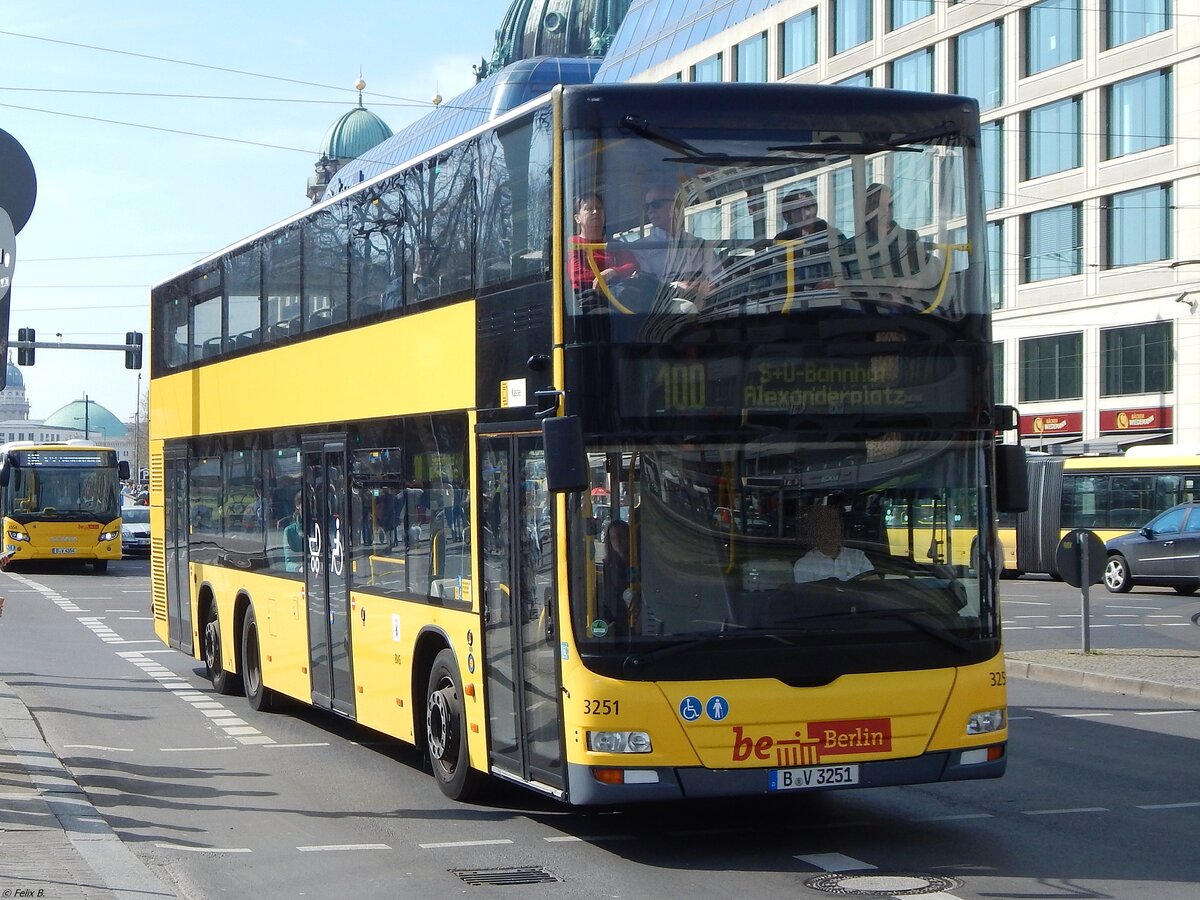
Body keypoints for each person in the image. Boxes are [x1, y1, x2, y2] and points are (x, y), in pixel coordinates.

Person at [628, 183, 721, 309]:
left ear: (676, 205)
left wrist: (703, 287)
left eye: (656, 204)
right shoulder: (639, 248)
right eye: (646, 207)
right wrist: (677, 286)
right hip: (661, 317)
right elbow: (646, 289)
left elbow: (719, 282)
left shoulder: (700, 245)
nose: (650, 210)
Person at [569, 193, 637, 296]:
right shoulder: (571, 243)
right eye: (589, 208)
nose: (595, 212)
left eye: (599, 208)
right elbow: (577, 275)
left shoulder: (615, 244)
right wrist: (604, 277)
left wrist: (613, 271)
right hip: (586, 299)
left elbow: (633, 266)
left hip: (617, 297)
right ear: (577, 218)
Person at [793, 505, 872, 583]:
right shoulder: (804, 564)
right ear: (815, 531)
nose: (831, 529)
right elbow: (805, 594)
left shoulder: (858, 557)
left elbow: (873, 584)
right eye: (825, 526)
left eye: (835, 524)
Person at [283, 492, 304, 573]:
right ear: (297, 505)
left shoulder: (321, 528)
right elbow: (288, 563)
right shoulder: (289, 531)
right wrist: (299, 568)